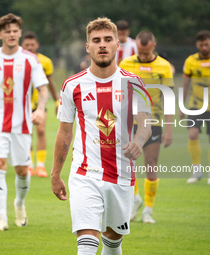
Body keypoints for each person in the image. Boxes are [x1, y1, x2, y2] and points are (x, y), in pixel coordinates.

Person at [51, 17, 152, 255]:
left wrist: (138, 141)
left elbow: (146, 123)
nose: (102, 45)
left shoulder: (134, 83)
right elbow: (65, 131)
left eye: (108, 39)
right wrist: (56, 174)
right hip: (84, 173)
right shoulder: (71, 85)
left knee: (113, 240)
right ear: (88, 47)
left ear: (118, 44)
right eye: (96, 40)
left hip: (122, 175)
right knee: (87, 240)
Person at [0, 13, 48, 231]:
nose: (11, 35)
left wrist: (39, 109)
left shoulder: (30, 59)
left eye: (15, 31)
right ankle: (1, 218)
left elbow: (43, 89)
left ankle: (19, 204)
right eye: (7, 31)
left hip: (22, 123)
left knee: (21, 170)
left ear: (19, 33)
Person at [120, 31, 174, 224]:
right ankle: (135, 200)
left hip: (154, 122)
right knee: (126, 165)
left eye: (146, 52)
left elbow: (168, 97)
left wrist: (169, 129)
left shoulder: (164, 66)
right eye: (140, 52)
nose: (142, 56)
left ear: (154, 45)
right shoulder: (126, 64)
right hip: (129, 122)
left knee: (151, 164)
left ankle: (148, 212)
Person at [179, 30, 210, 185]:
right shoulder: (190, 61)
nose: (204, 47)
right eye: (201, 45)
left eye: (206, 44)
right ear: (197, 45)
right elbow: (185, 85)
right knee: (192, 134)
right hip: (195, 105)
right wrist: (181, 105)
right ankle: (197, 170)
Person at [21, 31, 59, 177]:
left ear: (37, 45)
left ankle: (41, 165)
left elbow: (51, 83)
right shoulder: (19, 60)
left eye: (32, 44)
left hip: (39, 103)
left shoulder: (45, 61)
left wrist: (56, 101)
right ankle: (29, 164)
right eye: (27, 45)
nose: (30, 47)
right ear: (22, 45)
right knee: (27, 134)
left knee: (41, 131)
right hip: (23, 105)